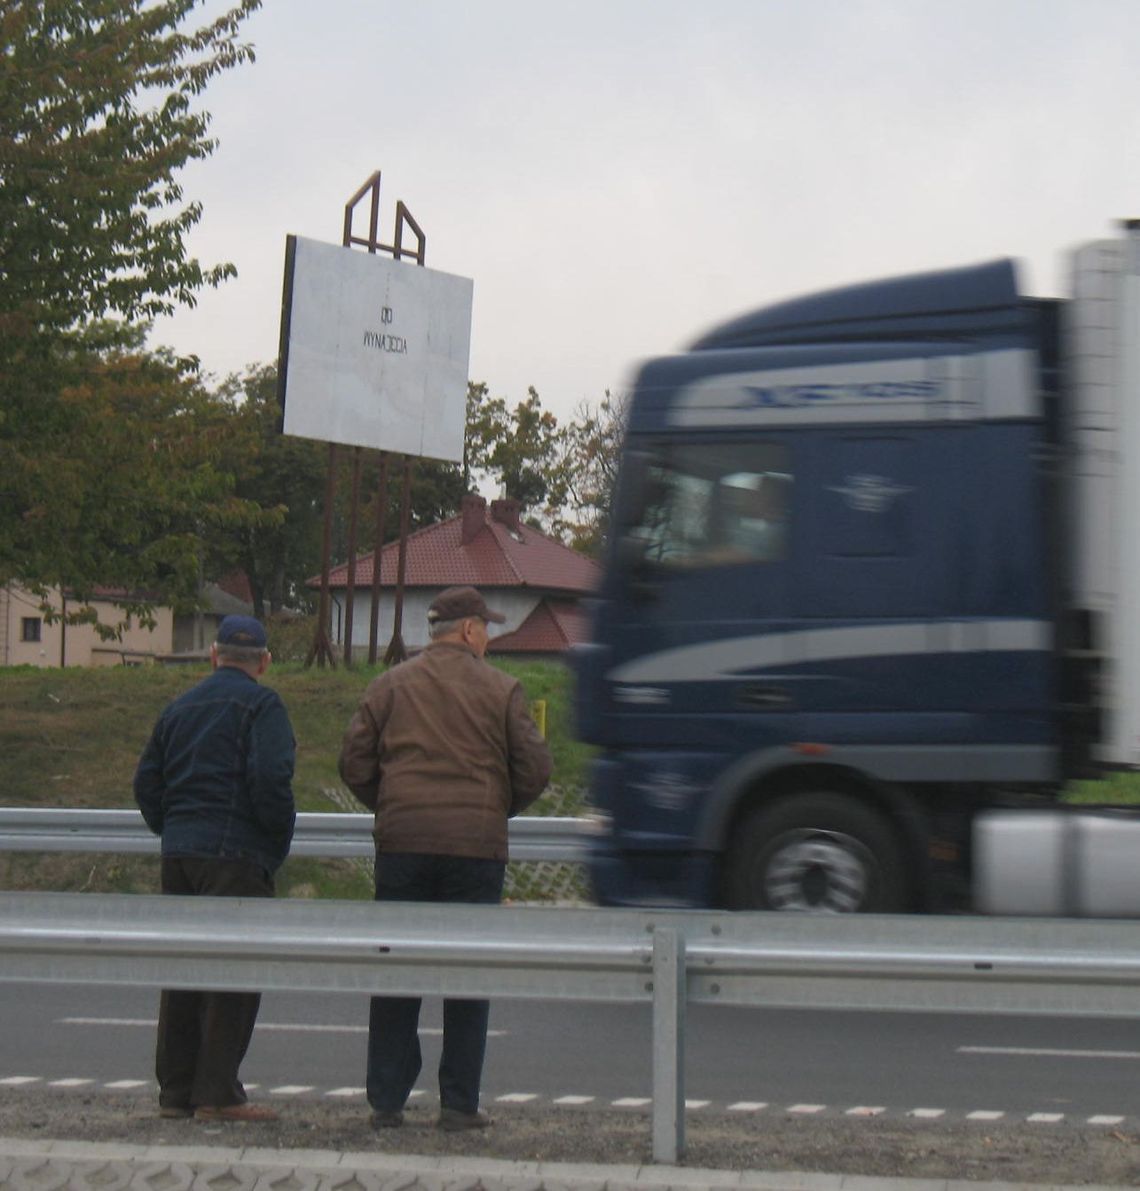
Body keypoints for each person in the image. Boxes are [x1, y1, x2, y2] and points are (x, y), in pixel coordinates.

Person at [338, 585, 552, 1132]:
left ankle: (386, 1099)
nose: (489, 639)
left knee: (396, 970)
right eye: (487, 629)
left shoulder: (388, 685)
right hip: (474, 851)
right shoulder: (502, 690)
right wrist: (494, 809)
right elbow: (535, 769)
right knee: (466, 973)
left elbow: (354, 762)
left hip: (403, 846)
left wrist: (393, 805)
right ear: (467, 630)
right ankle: (458, 1103)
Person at [133, 614, 296, 1123]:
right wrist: (273, 841)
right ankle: (218, 1094)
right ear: (264, 662)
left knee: (183, 969)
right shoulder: (263, 705)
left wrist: (173, 829)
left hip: (180, 855)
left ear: (213, 656)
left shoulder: (178, 707)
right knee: (234, 973)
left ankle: (175, 1093)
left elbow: (146, 781)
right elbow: (270, 778)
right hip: (237, 856)